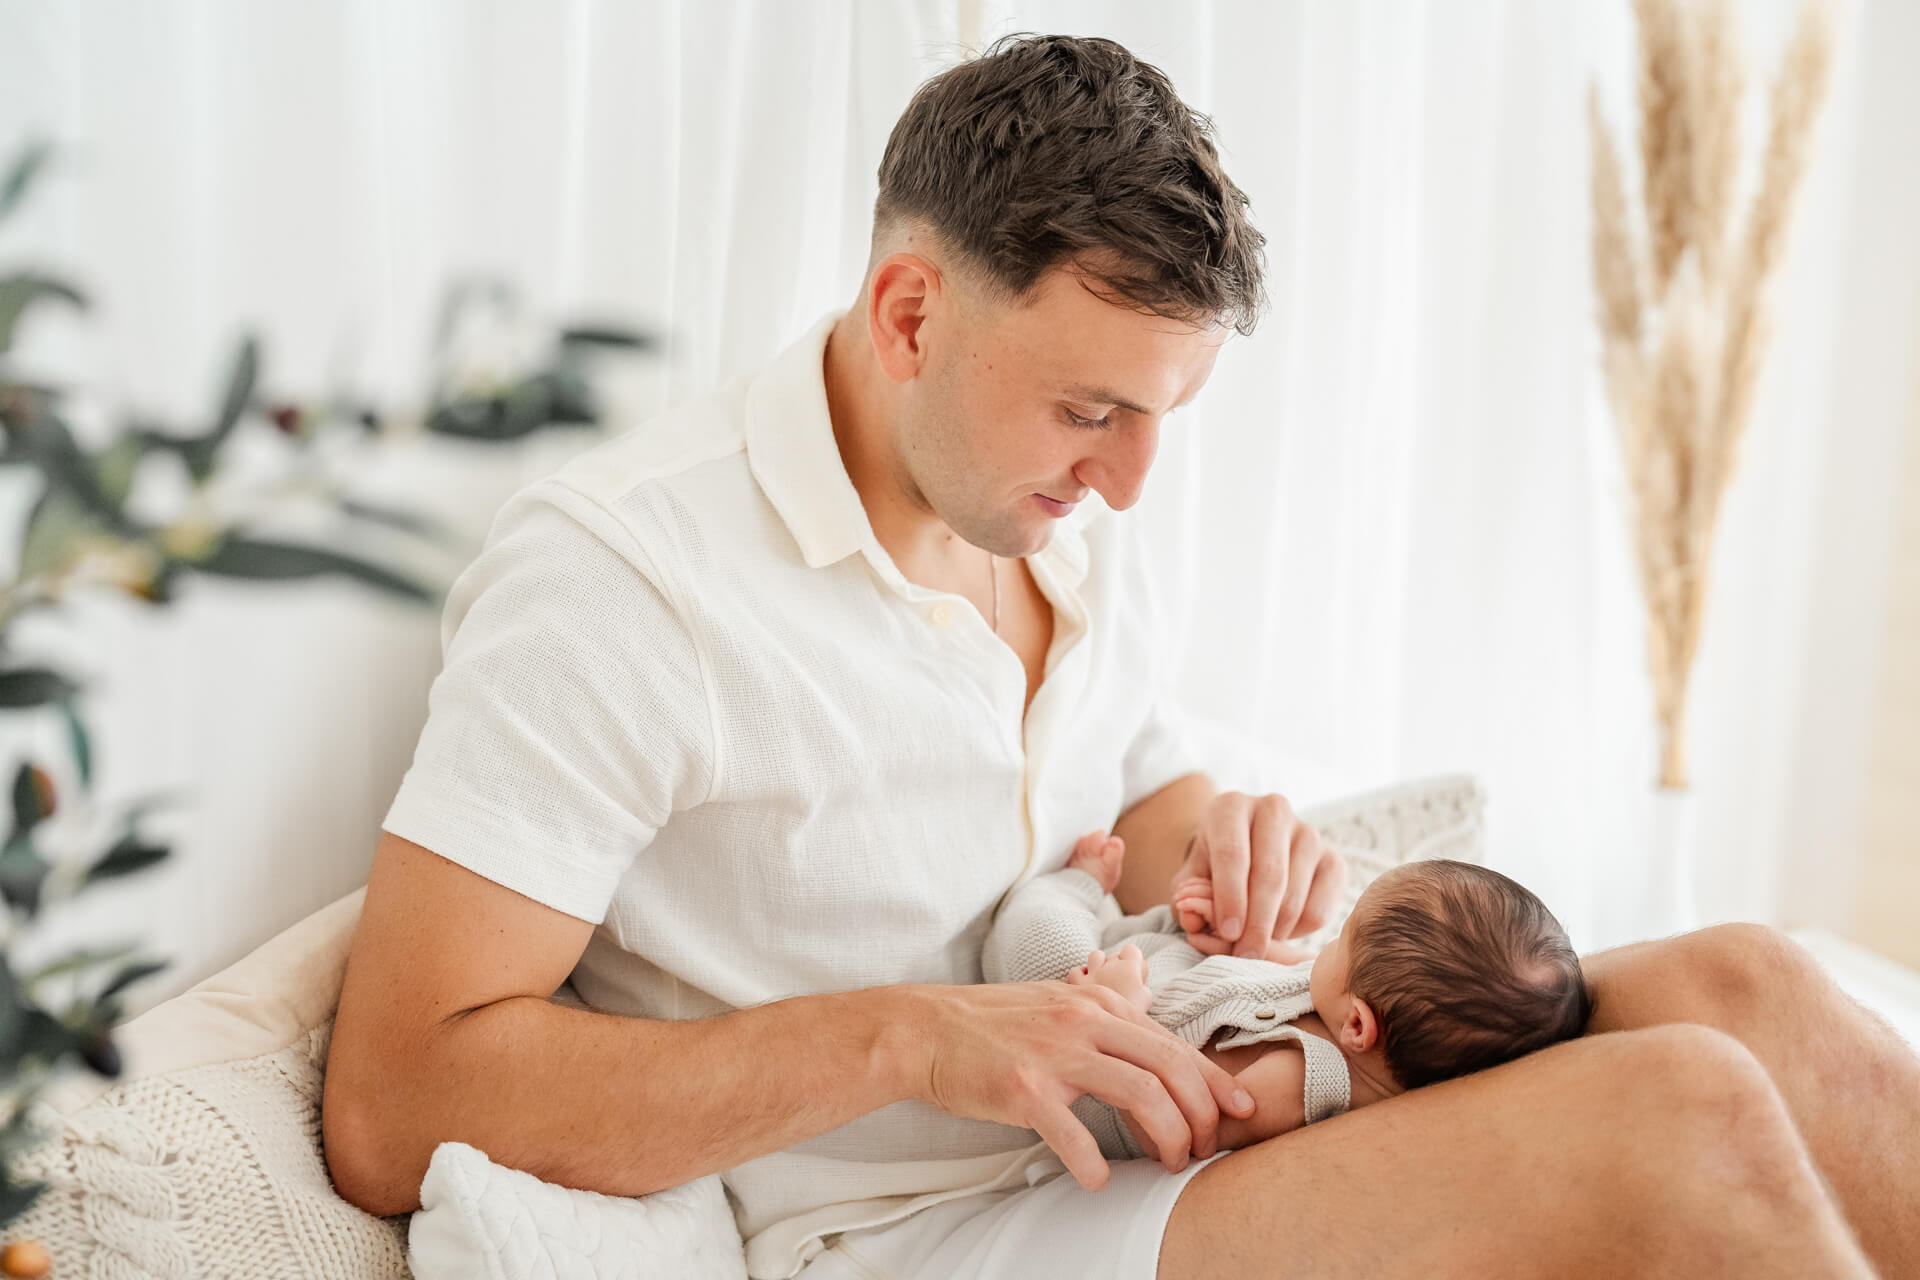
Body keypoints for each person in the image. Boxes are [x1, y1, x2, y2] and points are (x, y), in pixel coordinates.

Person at [322, 32, 1920, 1280]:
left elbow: (1116, 782)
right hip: (916, 1225)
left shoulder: (1043, 505)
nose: (1129, 481)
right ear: (907, 314)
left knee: (1755, 987)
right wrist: (904, 1032)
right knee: (1682, 1117)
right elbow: (395, 1103)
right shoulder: (626, 583)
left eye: (1162, 417)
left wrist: (1221, 836)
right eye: (1093, 410)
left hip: (1169, 1096)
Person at [984, 832, 1590, 1159]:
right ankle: (1122, 921)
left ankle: (1074, 889)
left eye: (1343, 939)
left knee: (1036, 935)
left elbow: (1169, 1118)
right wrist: (1226, 934)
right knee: (1163, 926)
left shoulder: (1292, 1087)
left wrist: (1116, 1010)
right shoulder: (1354, 1003)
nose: (1328, 942)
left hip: (1097, 1056)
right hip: (1172, 976)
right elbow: (1272, 968)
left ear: (1358, 1027)